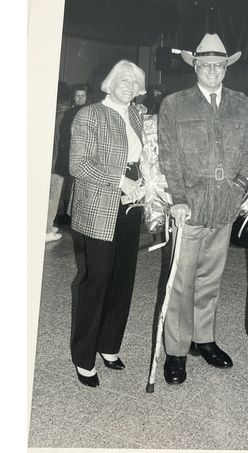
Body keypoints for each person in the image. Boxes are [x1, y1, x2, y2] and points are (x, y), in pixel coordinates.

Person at [157, 33, 248, 385]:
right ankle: (176, 350)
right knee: (181, 282)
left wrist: (241, 185)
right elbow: (168, 156)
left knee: (211, 279)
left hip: (225, 203)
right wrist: (177, 198)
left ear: (226, 68)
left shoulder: (242, 103)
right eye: (206, 65)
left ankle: (204, 340)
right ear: (195, 67)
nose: (213, 71)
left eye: (219, 65)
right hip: (190, 203)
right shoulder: (175, 104)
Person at [68, 60, 147, 387]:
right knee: (96, 280)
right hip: (98, 205)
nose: (129, 85)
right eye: (123, 79)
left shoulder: (137, 115)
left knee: (122, 277)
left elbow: (147, 155)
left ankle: (109, 345)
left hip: (132, 203)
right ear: (110, 82)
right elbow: (78, 165)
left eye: (135, 81)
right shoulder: (89, 115)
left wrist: (147, 183)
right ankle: (83, 356)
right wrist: (119, 181)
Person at [54, 83, 92, 224]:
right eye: (78, 95)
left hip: (83, 153)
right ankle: (66, 215)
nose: (81, 98)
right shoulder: (69, 111)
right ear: (73, 97)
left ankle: (76, 215)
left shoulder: (90, 111)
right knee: (68, 185)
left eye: (83, 95)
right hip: (68, 151)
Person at [46, 81, 71, 242]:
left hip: (44, 161)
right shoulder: (65, 114)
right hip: (56, 163)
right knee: (53, 195)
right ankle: (46, 229)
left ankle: (44, 225)